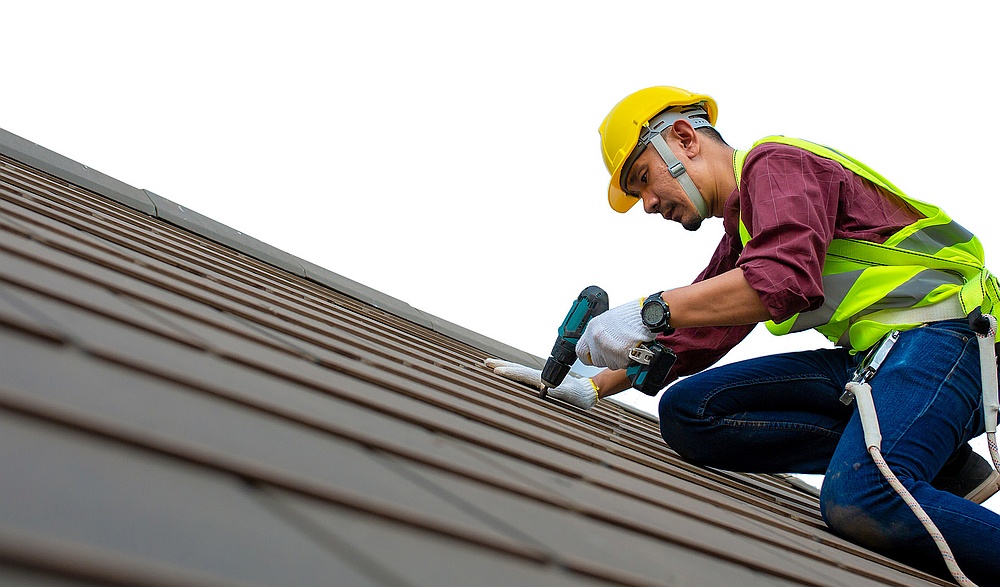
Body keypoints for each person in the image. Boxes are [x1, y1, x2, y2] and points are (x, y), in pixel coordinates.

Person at [486, 86, 1000, 584]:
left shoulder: (776, 166)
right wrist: (595, 385)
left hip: (952, 341)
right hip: (880, 361)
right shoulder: (746, 229)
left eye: (644, 178)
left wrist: (651, 310)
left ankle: (901, 467)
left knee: (861, 499)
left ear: (686, 139)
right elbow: (699, 329)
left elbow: (782, 280)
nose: (646, 203)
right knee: (690, 412)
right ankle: (946, 465)